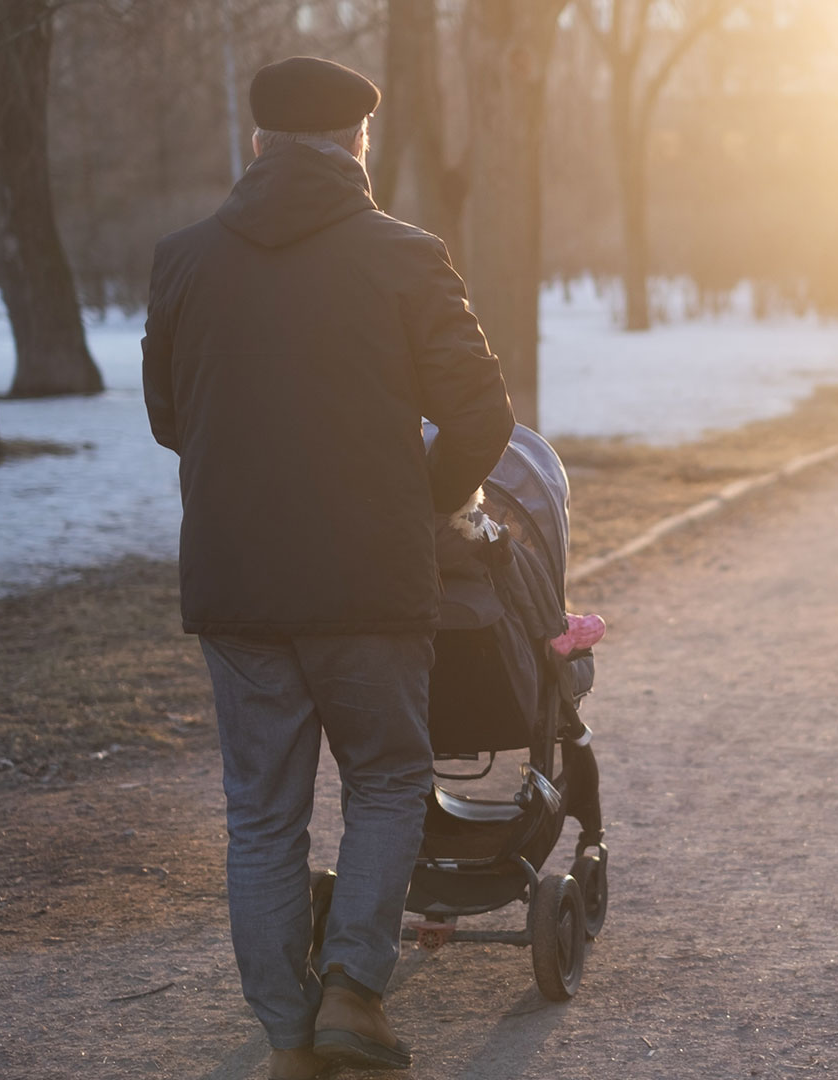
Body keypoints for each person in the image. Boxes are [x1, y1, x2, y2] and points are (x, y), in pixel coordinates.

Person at [141, 56, 514, 1078]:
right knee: (389, 782)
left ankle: (287, 1036)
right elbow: (484, 412)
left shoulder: (183, 260)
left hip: (238, 584)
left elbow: (172, 419)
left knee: (262, 812)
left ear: (258, 144)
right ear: (356, 145)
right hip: (371, 585)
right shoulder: (404, 255)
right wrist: (416, 502)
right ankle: (354, 990)